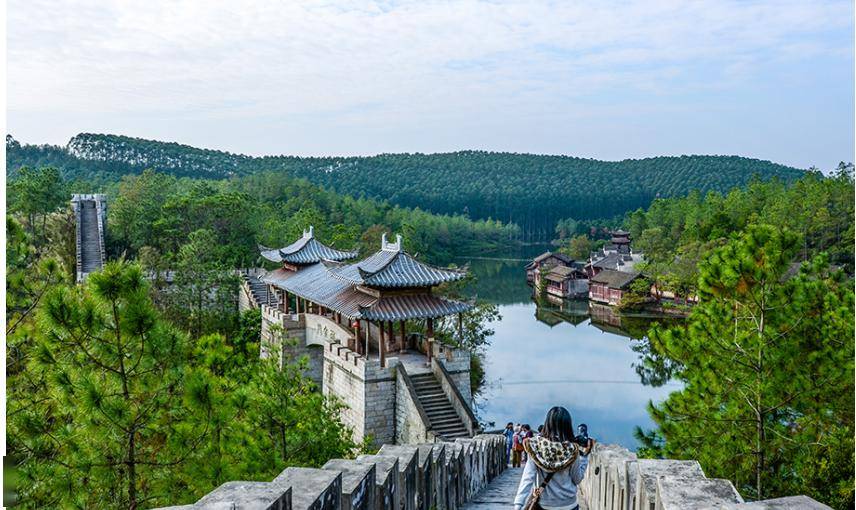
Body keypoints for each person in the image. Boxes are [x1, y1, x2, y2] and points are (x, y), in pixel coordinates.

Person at [513, 406, 595, 510]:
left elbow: (527, 477)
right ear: (567, 426)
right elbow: (577, 479)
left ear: (547, 423)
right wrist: (584, 457)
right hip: (569, 505)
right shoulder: (572, 449)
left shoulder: (536, 446)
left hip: (544, 505)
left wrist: (518, 504)